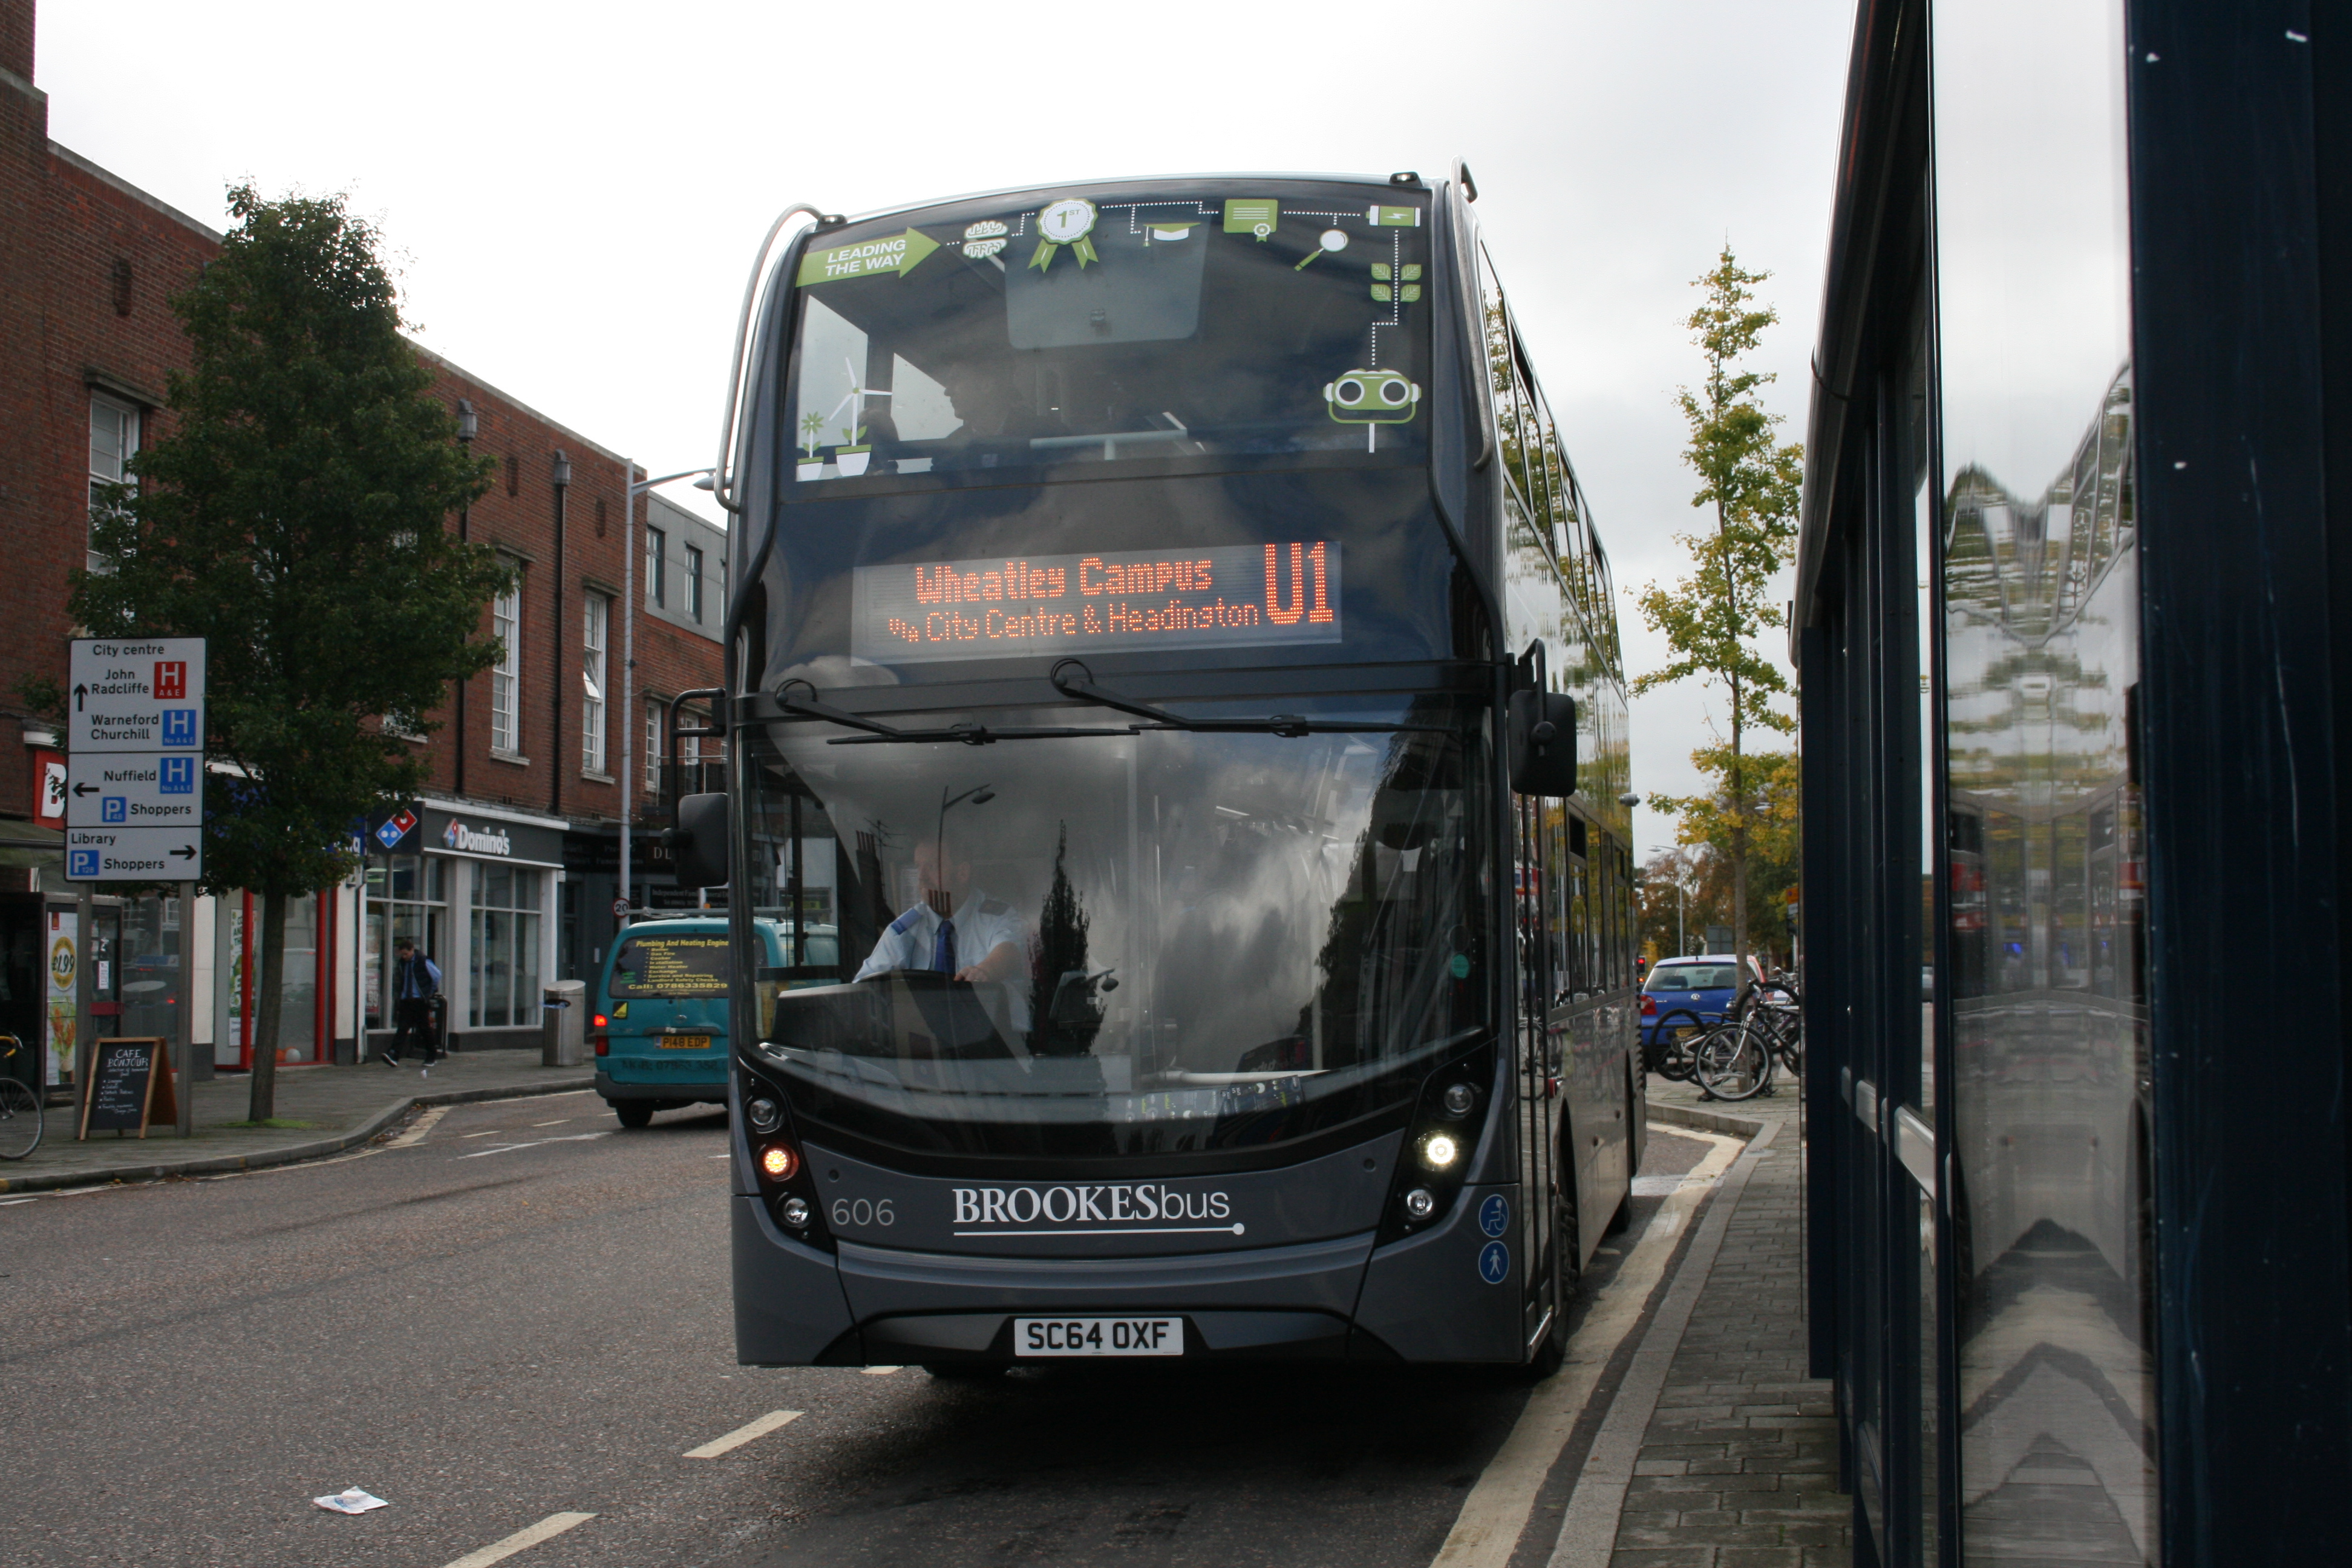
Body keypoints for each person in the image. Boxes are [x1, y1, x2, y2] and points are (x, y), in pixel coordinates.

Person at [855, 840, 1030, 1031]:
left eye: (931, 866)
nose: (921, 877)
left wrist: (985, 971)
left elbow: (1008, 950)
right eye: (918, 867)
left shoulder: (998, 916)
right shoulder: (905, 930)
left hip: (1001, 1043)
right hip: (928, 1049)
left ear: (962, 873)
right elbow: (863, 988)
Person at [383, 936, 442, 1070]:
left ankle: (432, 1054)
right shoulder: (403, 964)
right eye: (402, 954)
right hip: (407, 1000)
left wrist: (429, 993)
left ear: (412, 950)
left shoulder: (423, 961)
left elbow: (437, 975)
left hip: (419, 1000)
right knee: (402, 1028)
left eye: (406, 954)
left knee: (424, 1028)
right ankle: (394, 1055)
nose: (404, 957)